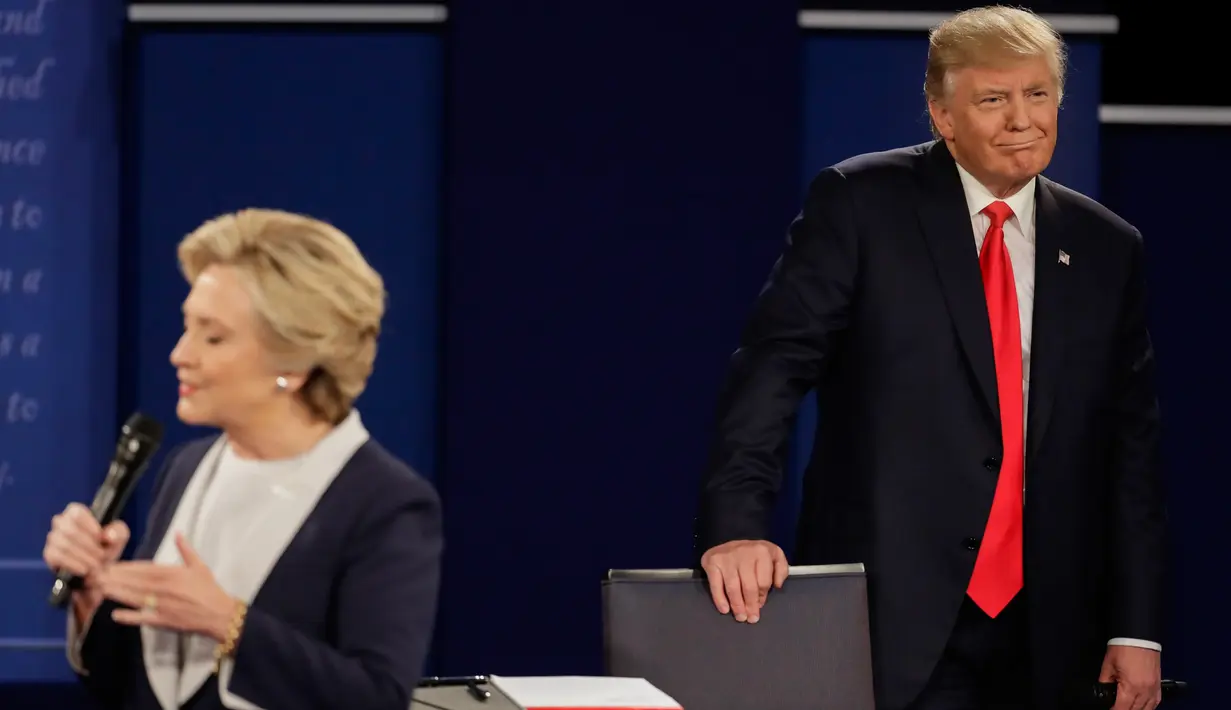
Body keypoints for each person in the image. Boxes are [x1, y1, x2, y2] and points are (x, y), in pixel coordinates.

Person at [693, 7, 1166, 710]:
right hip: (894, 610)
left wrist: (1136, 628)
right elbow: (773, 368)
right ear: (942, 116)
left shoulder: (1105, 245)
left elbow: (1129, 446)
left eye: (1037, 94)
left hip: (1052, 626)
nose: (1022, 119)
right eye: (992, 99)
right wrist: (735, 528)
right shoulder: (861, 203)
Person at [41, 208, 443, 710]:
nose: (179, 354)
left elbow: (376, 697)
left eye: (213, 337)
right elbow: (132, 687)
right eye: (186, 327)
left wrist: (230, 624)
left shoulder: (385, 503)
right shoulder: (185, 469)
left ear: (293, 364)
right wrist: (94, 594)